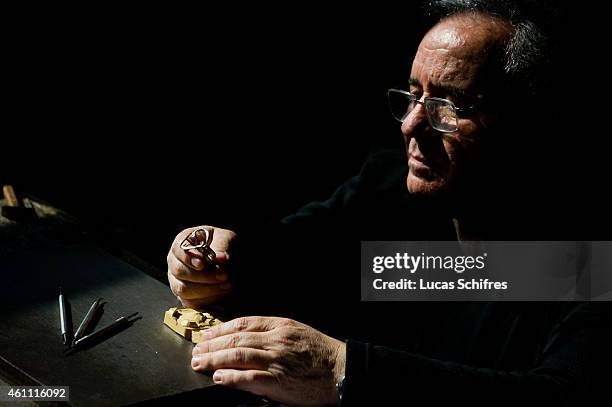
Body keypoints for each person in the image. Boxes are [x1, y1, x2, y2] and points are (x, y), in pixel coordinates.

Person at [166, 1, 611, 405]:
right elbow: (293, 253)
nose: (412, 125)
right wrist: (217, 261)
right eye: (414, 95)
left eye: (449, 106)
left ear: (527, 125)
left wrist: (344, 369)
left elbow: (564, 399)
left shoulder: (584, 263)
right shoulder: (391, 187)